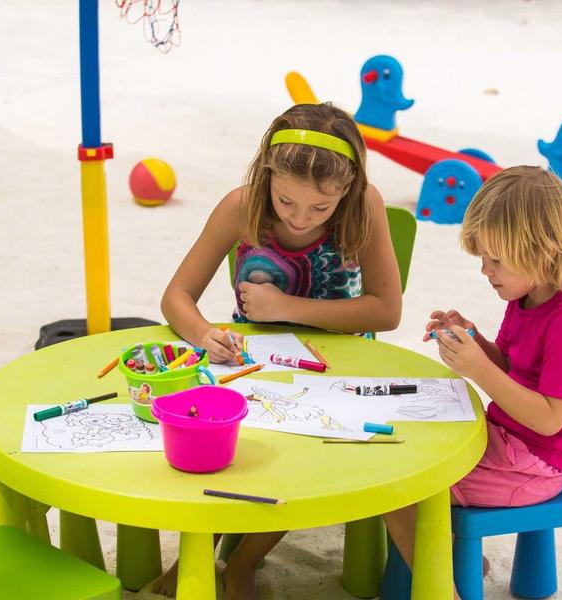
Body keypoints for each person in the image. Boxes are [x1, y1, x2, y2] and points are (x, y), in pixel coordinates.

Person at [158, 102, 402, 599]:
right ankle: (199, 557)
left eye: (320, 208)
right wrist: (204, 333)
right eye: (287, 201)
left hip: (339, 367)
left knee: (300, 454)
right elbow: (175, 298)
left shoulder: (366, 203)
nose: (299, 217)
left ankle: (245, 562)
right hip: (254, 364)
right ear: (267, 174)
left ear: (347, 191)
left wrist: (286, 305)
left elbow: (386, 311)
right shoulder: (241, 205)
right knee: (215, 441)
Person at [383, 166, 562, 597]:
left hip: (536, 464)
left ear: (541, 250)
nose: (486, 271)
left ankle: (440, 588)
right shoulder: (529, 293)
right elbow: (509, 364)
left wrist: (479, 369)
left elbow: (548, 420)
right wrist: (475, 341)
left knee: (402, 484)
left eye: (496, 260)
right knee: (404, 443)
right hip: (506, 441)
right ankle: (448, 557)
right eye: (484, 259)